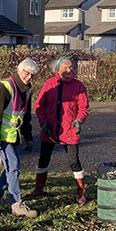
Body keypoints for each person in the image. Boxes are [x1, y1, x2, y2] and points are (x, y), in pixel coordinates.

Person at [27, 57, 90, 204]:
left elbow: (83, 108)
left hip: (70, 129)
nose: (69, 70)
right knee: (43, 160)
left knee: (74, 161)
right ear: (57, 69)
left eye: (71, 68)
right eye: (66, 67)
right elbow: (39, 106)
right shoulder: (49, 84)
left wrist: (79, 120)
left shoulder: (79, 86)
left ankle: (81, 191)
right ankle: (38, 188)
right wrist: (43, 123)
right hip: (50, 129)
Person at [0, 58, 39, 218]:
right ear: (18, 70)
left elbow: (25, 117)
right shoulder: (5, 87)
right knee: (13, 166)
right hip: (1, 136)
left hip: (12, 135)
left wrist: (28, 137)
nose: (29, 77)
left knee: (12, 168)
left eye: (32, 75)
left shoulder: (27, 90)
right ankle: (16, 204)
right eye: (26, 72)